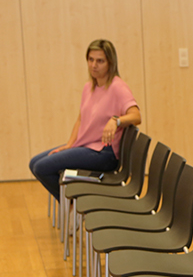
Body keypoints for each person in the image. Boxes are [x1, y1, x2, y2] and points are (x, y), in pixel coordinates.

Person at [29, 39, 142, 198]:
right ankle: (72, 203)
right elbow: (81, 120)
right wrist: (70, 145)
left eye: (100, 61)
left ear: (110, 63)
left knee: (42, 167)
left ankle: (73, 204)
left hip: (104, 153)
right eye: (91, 59)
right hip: (86, 146)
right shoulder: (88, 87)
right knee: (34, 163)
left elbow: (136, 116)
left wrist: (116, 120)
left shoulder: (118, 86)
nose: (94, 65)